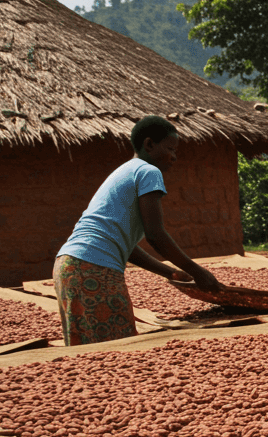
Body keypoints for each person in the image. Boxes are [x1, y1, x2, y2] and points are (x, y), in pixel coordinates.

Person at [54, 115, 221, 345]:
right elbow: (155, 234)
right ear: (149, 144)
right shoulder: (148, 172)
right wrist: (198, 271)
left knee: (89, 354)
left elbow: (128, 248)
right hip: (93, 269)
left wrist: (169, 272)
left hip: (70, 266)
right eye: (171, 148)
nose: (175, 156)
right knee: (116, 350)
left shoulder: (126, 170)